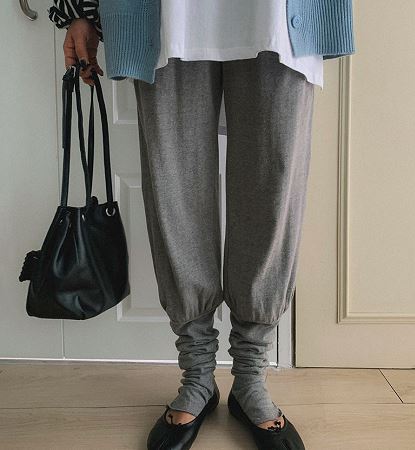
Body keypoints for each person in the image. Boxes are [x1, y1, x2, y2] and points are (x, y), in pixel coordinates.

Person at [49, 1, 355, 449]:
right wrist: (80, 9)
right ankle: (197, 376)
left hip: (277, 18)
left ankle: (250, 378)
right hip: (167, 18)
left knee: (273, 194)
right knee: (173, 192)